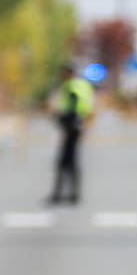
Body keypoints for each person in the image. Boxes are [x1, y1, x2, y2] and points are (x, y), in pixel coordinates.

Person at [49, 63, 94, 204]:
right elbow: (88, 107)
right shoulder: (83, 85)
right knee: (71, 161)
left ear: (68, 74)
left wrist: (64, 119)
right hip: (78, 126)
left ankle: (60, 194)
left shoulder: (70, 86)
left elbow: (72, 105)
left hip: (71, 127)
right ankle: (72, 194)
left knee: (64, 161)